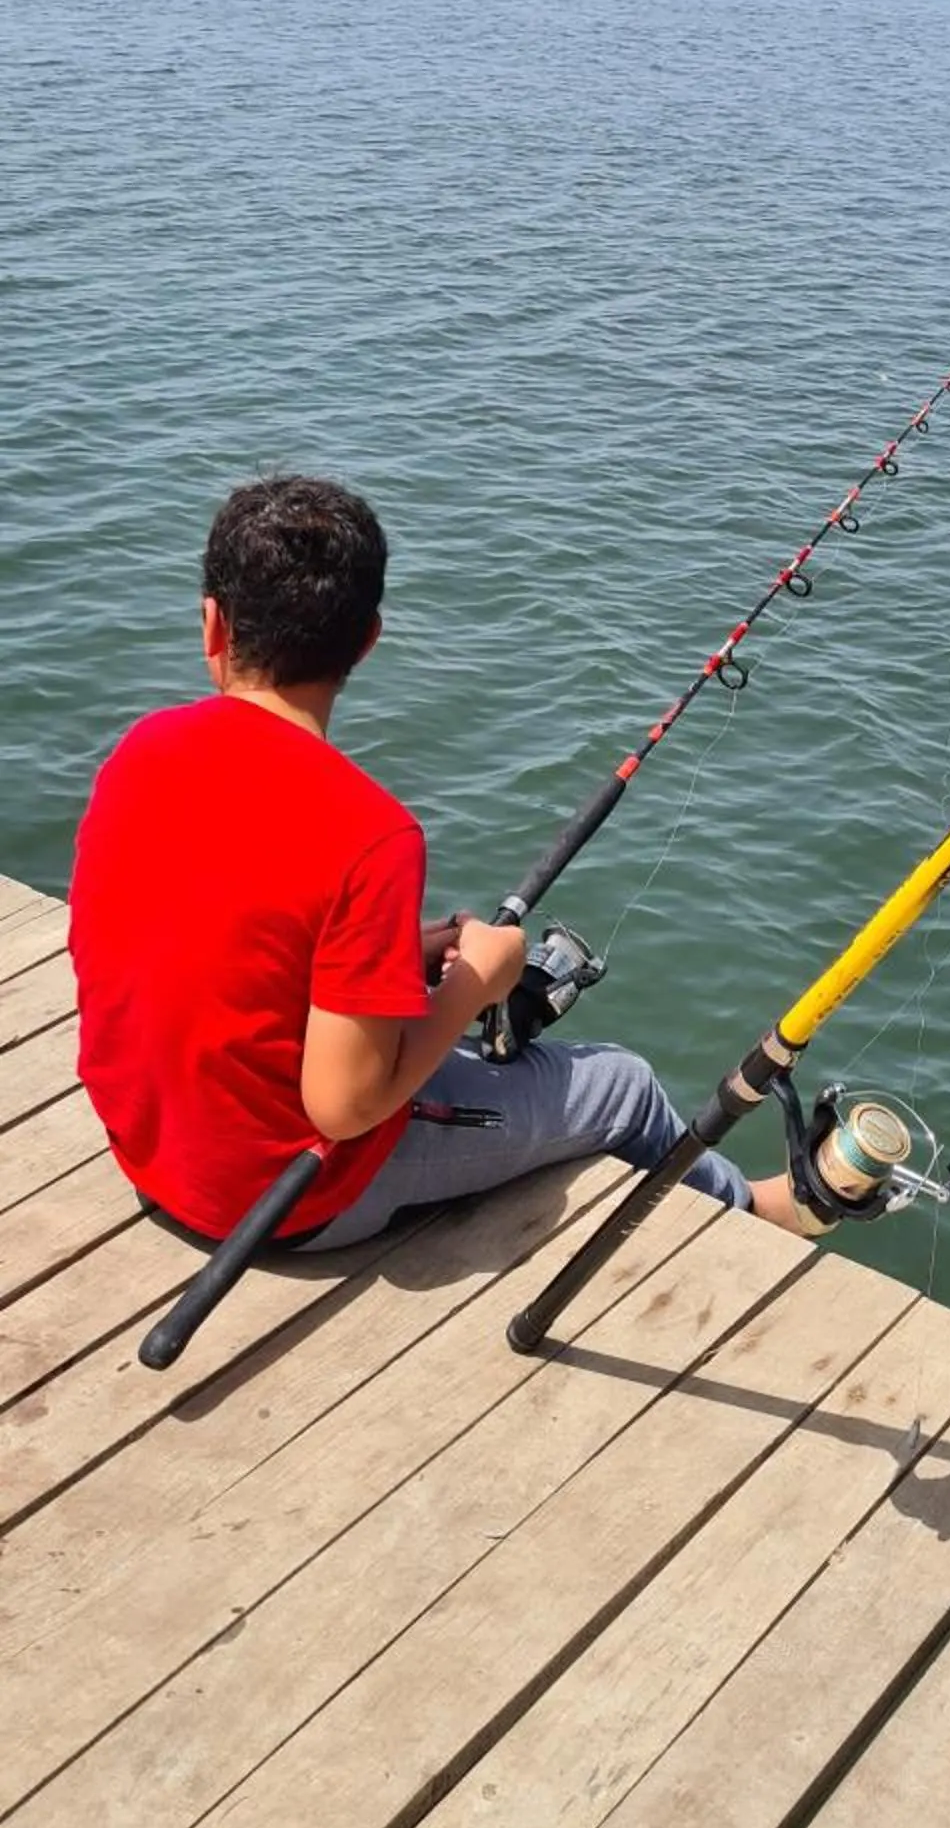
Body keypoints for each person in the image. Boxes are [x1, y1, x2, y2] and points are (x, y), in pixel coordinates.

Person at [70, 475, 798, 1251]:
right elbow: (344, 1106)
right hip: (281, 1205)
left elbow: (231, 935)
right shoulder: (369, 834)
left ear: (212, 624)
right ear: (368, 640)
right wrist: (473, 985)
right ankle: (754, 1210)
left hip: (147, 1155)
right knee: (624, 1087)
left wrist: (403, 956)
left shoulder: (138, 753)